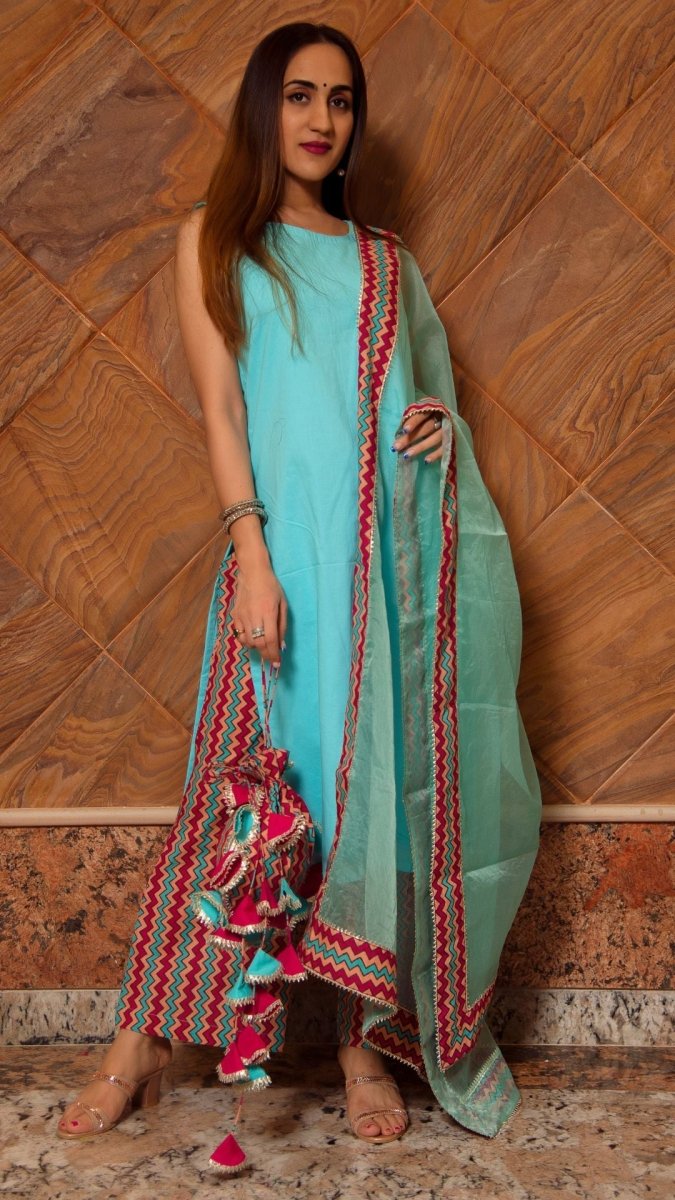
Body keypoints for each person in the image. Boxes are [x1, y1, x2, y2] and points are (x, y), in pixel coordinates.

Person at [56, 19, 542, 1172]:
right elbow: (225, 412)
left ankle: (362, 1049)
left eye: (341, 99)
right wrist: (253, 557)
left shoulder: (386, 262)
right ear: (263, 107)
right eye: (300, 95)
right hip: (280, 574)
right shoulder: (219, 241)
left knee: (364, 812)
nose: (323, 119)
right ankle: (138, 1046)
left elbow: (420, 397)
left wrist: (440, 430)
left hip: (376, 586)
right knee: (240, 811)